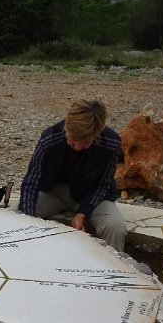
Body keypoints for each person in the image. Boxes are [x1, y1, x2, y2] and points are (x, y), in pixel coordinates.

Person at [14, 99, 126, 251]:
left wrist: (83, 213)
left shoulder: (111, 143)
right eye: (73, 141)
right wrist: (29, 224)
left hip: (94, 197)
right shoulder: (49, 139)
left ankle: (113, 265)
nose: (78, 147)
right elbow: (31, 182)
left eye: (86, 143)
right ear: (67, 126)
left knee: (115, 227)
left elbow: (103, 184)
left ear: (97, 134)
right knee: (16, 214)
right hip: (55, 193)